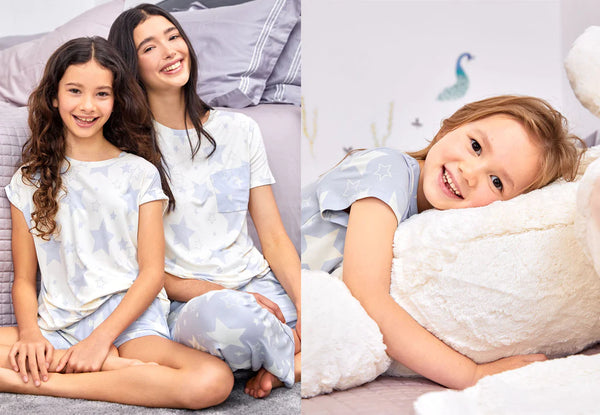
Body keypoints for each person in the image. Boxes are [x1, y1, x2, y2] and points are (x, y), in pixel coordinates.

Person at [0, 36, 233, 409]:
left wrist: (99, 342)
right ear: (55, 96)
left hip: (128, 327)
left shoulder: (139, 173)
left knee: (213, 381)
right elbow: (25, 280)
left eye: (102, 94)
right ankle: (101, 370)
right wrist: (30, 336)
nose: (88, 106)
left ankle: (45, 382)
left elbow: (151, 274)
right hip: (56, 326)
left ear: (116, 99)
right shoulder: (28, 181)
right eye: (75, 91)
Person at [301, 95, 585, 389]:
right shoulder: (389, 170)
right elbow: (366, 296)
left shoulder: (426, 231)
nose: (470, 173)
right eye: (476, 146)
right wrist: (472, 374)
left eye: (497, 182)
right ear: (450, 127)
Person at [108, 4, 301, 398]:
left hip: (260, 285)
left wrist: (309, 309)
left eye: (173, 37)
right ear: (131, 66)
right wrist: (222, 294)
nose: (169, 51)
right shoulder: (127, 153)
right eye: (149, 47)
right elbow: (139, 267)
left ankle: (286, 357)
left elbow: (275, 238)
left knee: (336, 309)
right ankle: (294, 355)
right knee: (233, 322)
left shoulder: (240, 130)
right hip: (196, 303)